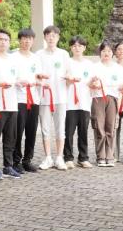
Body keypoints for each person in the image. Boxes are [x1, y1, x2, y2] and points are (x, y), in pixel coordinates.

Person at [0, 30, 20, 179]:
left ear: (9, 42)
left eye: (6, 40)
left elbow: (16, 79)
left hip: (12, 104)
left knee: (10, 137)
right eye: (0, 39)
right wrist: (1, 84)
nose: (3, 42)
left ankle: (8, 166)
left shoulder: (13, 60)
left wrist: (19, 82)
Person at [36, 26, 70, 170]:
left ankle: (59, 157)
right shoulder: (38, 54)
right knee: (45, 128)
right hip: (44, 97)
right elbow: (36, 74)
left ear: (58, 38)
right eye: (48, 35)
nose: (51, 38)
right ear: (44, 37)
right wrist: (39, 79)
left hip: (60, 96)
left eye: (54, 35)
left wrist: (69, 78)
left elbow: (68, 72)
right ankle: (48, 157)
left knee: (60, 128)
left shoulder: (63, 54)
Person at [64, 35, 94, 169]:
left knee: (83, 132)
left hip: (84, 102)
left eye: (80, 46)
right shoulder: (67, 62)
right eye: (74, 46)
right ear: (71, 48)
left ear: (84, 48)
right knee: (68, 132)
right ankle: (68, 157)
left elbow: (92, 82)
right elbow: (63, 81)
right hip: (69, 102)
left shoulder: (89, 64)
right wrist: (68, 80)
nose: (77, 48)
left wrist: (94, 83)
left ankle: (83, 158)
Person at [13, 28, 41, 173]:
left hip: (34, 99)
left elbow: (39, 76)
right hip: (19, 99)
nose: (27, 41)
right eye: (24, 38)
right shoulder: (13, 57)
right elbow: (10, 76)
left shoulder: (36, 58)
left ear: (33, 41)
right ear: (19, 40)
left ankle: (27, 160)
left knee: (31, 130)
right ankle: (15, 160)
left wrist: (39, 81)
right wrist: (18, 81)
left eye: (29, 39)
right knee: (18, 131)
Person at [89, 42, 120, 167]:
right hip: (98, 98)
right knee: (99, 127)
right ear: (100, 53)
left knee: (110, 127)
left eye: (109, 51)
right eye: (103, 51)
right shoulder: (94, 67)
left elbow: (120, 84)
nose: (106, 53)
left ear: (112, 53)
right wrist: (93, 84)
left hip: (112, 98)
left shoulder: (117, 68)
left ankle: (110, 155)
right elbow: (90, 84)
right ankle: (101, 156)